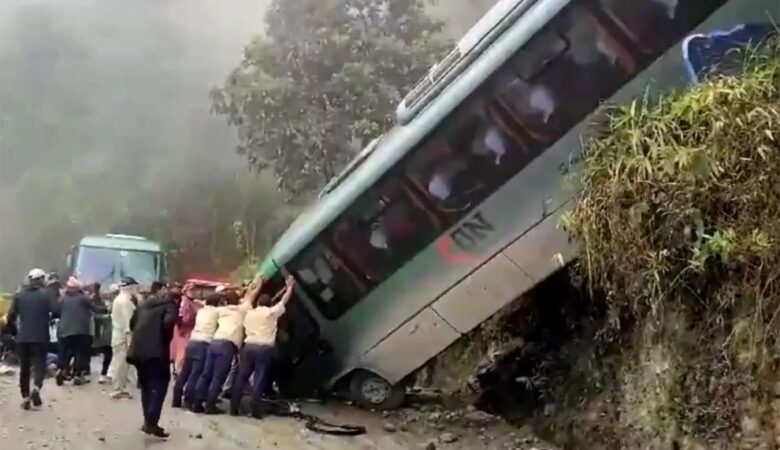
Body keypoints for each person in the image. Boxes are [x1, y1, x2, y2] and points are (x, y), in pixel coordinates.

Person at [230, 276, 295, 417]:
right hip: (264, 349)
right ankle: (255, 408)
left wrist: (257, 284)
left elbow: (248, 298)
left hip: (248, 347)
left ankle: (234, 407)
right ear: (269, 303)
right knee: (260, 377)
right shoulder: (271, 313)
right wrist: (289, 286)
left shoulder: (249, 312)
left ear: (258, 303)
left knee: (242, 376)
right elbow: (284, 300)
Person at [193, 281, 260, 414]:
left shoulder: (220, 310)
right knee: (219, 377)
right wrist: (258, 284)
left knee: (206, 374)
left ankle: (197, 403)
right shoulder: (242, 310)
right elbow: (251, 296)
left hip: (214, 342)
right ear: (237, 301)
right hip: (227, 346)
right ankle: (210, 406)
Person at [126, 281, 178, 438]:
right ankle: (152, 422)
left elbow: (132, 324)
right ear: (161, 289)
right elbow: (169, 323)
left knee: (146, 386)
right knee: (161, 384)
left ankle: (148, 421)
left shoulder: (142, 305)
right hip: (156, 351)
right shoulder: (169, 304)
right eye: (165, 288)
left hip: (137, 351)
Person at [6, 269, 60, 410]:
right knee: (39, 365)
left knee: (24, 368)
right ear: (41, 279)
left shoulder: (19, 295)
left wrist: (14, 331)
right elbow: (56, 311)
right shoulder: (46, 295)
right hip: (40, 336)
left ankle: (25, 396)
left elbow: (10, 316)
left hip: (23, 337)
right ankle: (36, 387)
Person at [171, 292, 222, 409]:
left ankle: (176, 399)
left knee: (185, 372)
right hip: (204, 343)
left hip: (192, 341)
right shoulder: (217, 312)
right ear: (218, 303)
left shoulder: (201, 311)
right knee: (196, 373)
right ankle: (189, 400)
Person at [56, 277, 107, 386]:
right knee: (80, 352)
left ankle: (61, 370)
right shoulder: (83, 298)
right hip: (81, 330)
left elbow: (57, 311)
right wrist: (106, 309)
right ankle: (77, 375)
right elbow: (95, 309)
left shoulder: (63, 299)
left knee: (66, 352)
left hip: (64, 330)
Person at [109, 277, 139, 399]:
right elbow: (128, 323)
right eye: (135, 287)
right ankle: (118, 389)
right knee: (121, 364)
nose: (136, 289)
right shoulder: (125, 302)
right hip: (123, 337)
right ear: (129, 287)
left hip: (118, 335)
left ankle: (121, 387)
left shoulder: (119, 299)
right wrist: (130, 341)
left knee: (121, 363)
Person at [170, 284, 199, 376]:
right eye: (191, 290)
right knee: (181, 352)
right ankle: (178, 371)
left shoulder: (193, 302)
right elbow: (182, 317)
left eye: (195, 290)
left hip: (189, 330)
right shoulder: (184, 302)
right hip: (182, 331)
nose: (194, 293)